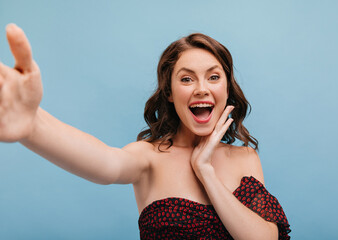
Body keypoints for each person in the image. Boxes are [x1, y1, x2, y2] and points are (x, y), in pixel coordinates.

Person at [0, 24, 291, 240]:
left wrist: (206, 171)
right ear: (169, 92)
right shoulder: (149, 157)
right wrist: (33, 126)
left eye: (213, 77)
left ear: (226, 89)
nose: (202, 88)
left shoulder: (245, 158)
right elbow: (104, 163)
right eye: (186, 78)